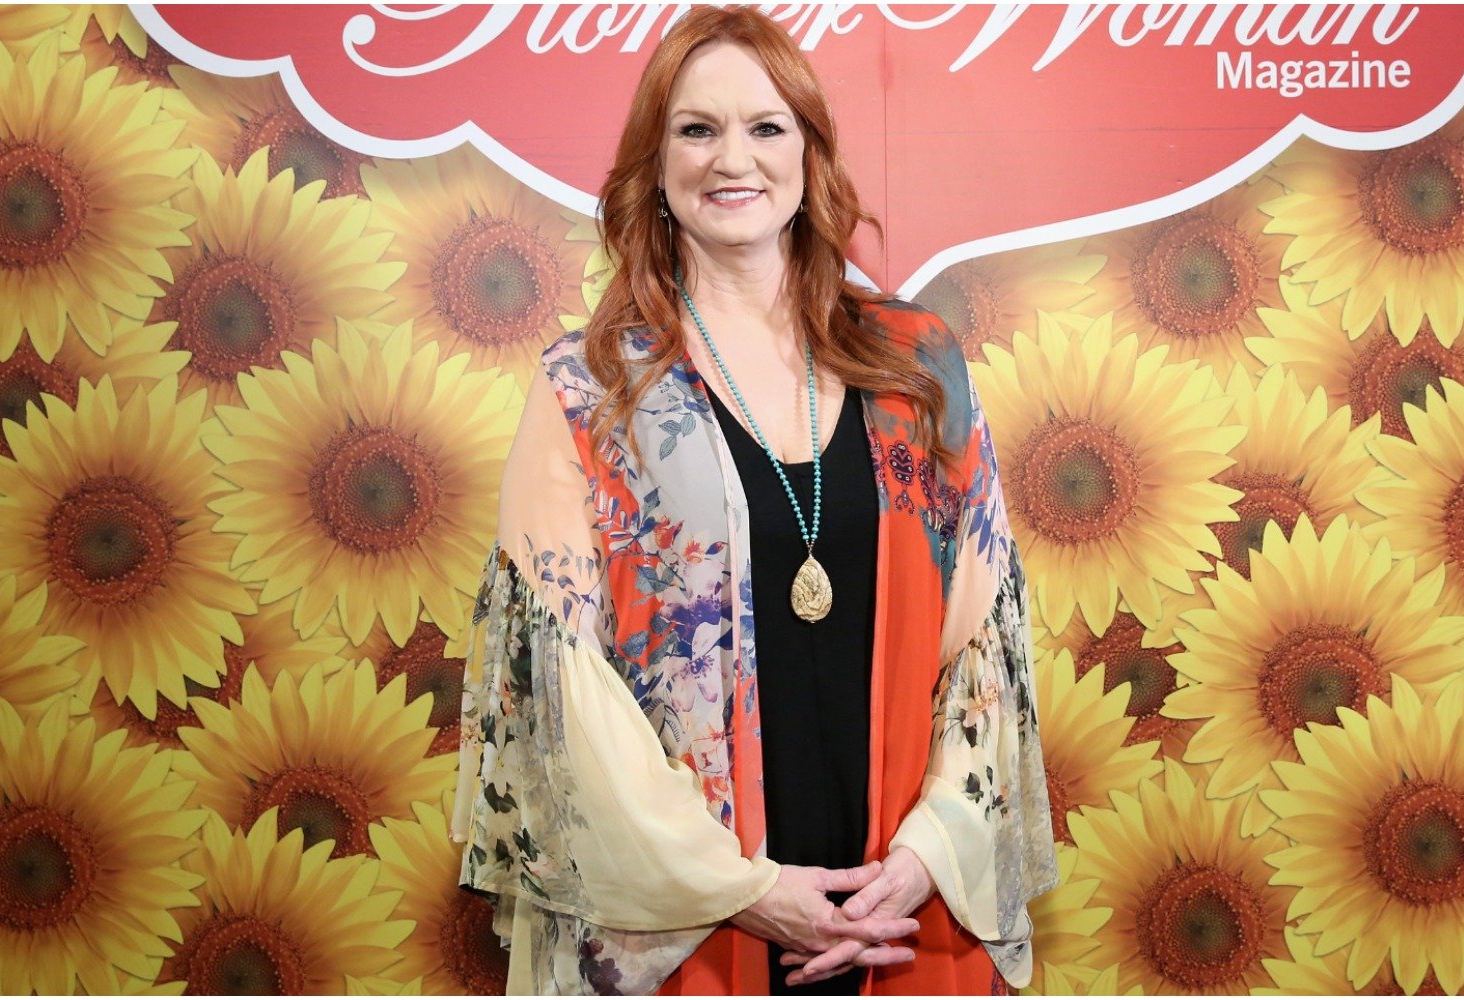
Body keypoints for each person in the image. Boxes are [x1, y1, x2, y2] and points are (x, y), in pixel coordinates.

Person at [450, 6, 1056, 995]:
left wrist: (923, 859)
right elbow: (561, 696)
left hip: (898, 913)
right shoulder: (589, 390)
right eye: (696, 129)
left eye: (766, 127)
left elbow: (982, 649)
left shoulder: (918, 365)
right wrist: (742, 889)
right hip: (697, 927)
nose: (733, 158)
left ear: (810, 154)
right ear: (652, 165)